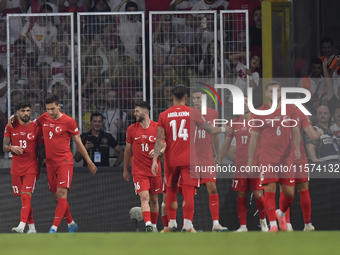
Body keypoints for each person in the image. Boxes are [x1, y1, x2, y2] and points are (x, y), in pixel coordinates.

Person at [9, 95, 97, 233]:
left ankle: (53, 228)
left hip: (65, 162)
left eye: (53, 109)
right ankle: (71, 223)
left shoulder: (69, 122)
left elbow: (78, 142)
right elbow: (28, 122)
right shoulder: (43, 118)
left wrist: (89, 162)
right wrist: (15, 117)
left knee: (62, 194)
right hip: (50, 164)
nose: (50, 112)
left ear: (59, 106)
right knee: (57, 198)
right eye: (48, 109)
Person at [151, 84, 230, 232]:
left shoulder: (163, 115)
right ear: (186, 98)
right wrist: (224, 128)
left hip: (171, 160)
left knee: (171, 191)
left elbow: (159, 140)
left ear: (172, 97)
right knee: (188, 192)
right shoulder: (192, 112)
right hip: (189, 160)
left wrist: (155, 159)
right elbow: (211, 130)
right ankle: (187, 225)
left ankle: (172, 224)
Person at [248, 81, 301, 232]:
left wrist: (297, 148)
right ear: (266, 94)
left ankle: (281, 213)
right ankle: (272, 225)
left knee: (289, 193)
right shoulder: (259, 112)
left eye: (277, 91)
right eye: (271, 91)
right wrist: (251, 161)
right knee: (269, 190)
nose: (274, 94)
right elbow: (254, 138)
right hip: (267, 156)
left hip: (286, 156)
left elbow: (296, 130)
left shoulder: (290, 109)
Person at [216, 96, 268, 232]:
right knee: (241, 195)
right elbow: (226, 145)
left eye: (246, 102)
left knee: (258, 195)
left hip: (257, 165)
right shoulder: (233, 123)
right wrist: (217, 161)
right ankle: (243, 226)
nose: (244, 104)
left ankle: (263, 221)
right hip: (240, 166)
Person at [123, 101, 165, 232]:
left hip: (154, 170)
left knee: (154, 198)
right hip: (139, 171)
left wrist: (160, 152)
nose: (134, 113)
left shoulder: (158, 127)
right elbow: (128, 151)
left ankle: (153, 225)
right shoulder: (132, 129)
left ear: (145, 112)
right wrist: (125, 169)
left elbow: (163, 145)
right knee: (145, 197)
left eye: (137, 111)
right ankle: (148, 225)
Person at [3, 101, 44, 233]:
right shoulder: (10, 126)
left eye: (28, 110)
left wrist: (40, 167)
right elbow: (4, 147)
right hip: (16, 168)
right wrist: (11, 148)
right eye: (23, 111)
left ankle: (21, 225)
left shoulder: (36, 127)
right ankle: (32, 228)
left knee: (26, 196)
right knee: (23, 198)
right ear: (17, 112)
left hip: (31, 167)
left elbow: (41, 150)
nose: (26, 113)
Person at [191, 90, 228, 231]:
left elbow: (215, 136)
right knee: (190, 193)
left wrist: (217, 157)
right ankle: (189, 225)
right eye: (194, 98)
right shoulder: (189, 113)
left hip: (207, 158)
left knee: (212, 187)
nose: (196, 101)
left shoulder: (213, 114)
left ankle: (216, 224)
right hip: (192, 159)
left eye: (198, 98)